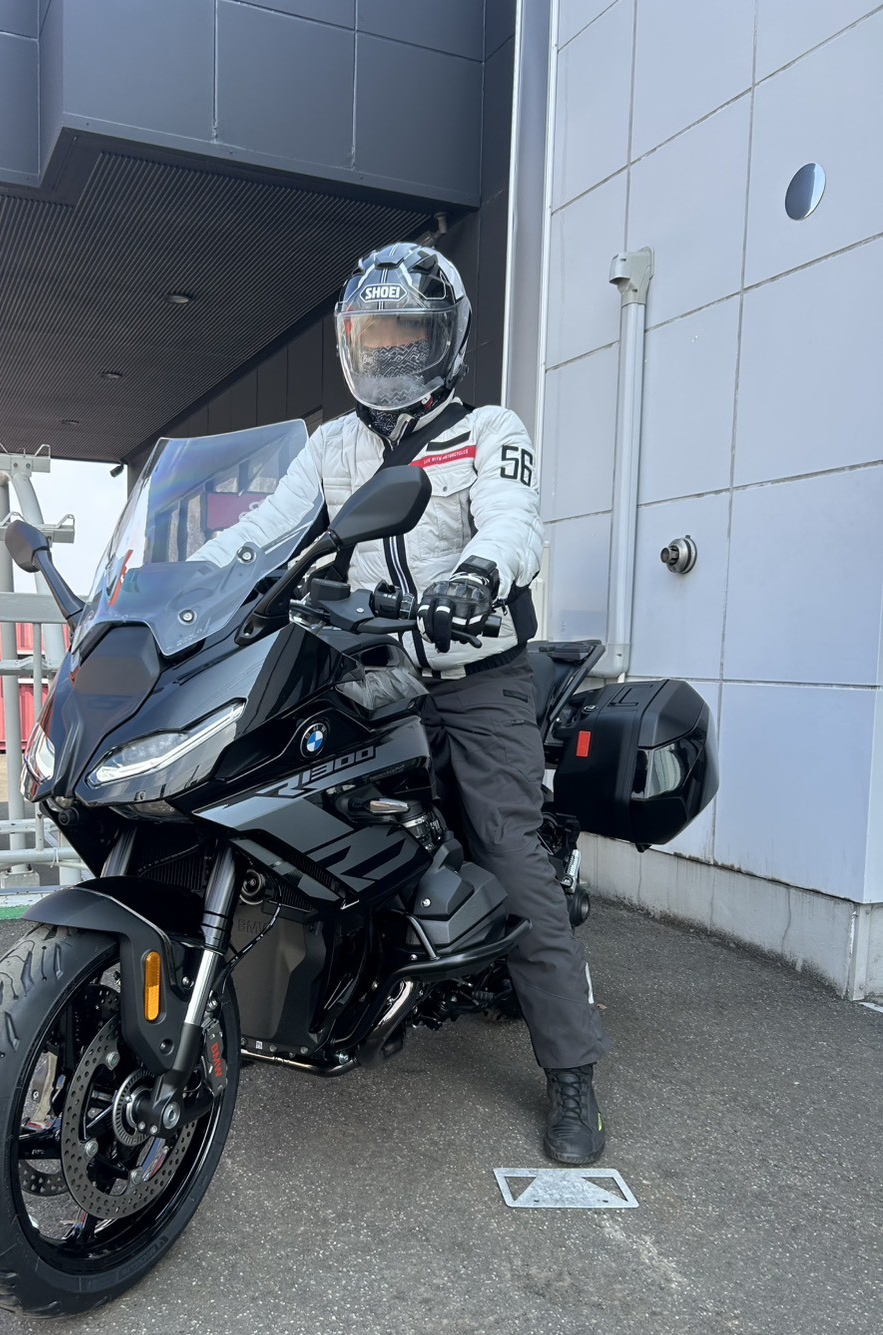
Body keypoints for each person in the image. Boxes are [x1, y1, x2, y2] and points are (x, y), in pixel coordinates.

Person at [195, 241, 611, 1164]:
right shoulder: (331, 447)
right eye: (372, 335)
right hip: (372, 673)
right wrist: (184, 579)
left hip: (477, 679)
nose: (386, 353)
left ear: (444, 340)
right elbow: (264, 532)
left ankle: (572, 1069)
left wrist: (477, 575)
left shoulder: (490, 429)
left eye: (404, 335)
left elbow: (515, 521)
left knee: (509, 846)